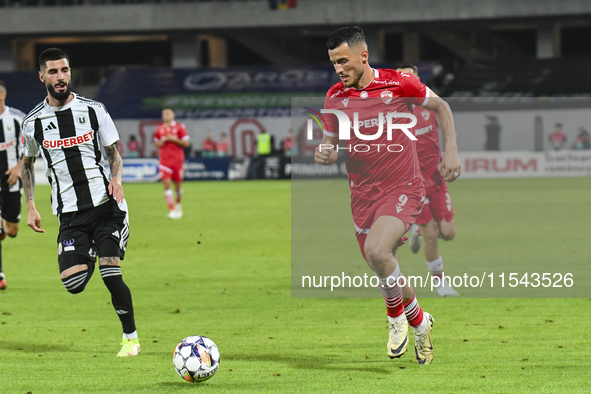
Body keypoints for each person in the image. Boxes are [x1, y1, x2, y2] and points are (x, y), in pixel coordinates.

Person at [316, 27, 461, 365]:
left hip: (403, 188)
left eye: (343, 61)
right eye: (334, 63)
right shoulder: (334, 97)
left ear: (363, 56)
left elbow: (442, 107)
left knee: (377, 251)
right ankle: (421, 322)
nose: (339, 69)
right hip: (362, 195)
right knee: (382, 265)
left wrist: (451, 149)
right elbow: (329, 142)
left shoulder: (399, 84)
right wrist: (324, 152)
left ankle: (395, 317)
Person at [21, 48, 140, 357]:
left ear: (70, 72)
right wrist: (31, 206)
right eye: (54, 72)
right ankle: (87, 247)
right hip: (69, 214)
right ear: (42, 76)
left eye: (65, 70)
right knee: (73, 284)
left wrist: (117, 180)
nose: (61, 77)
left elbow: (114, 153)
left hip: (105, 205)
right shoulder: (32, 123)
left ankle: (130, 339)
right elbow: (26, 164)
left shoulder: (93, 110)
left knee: (110, 272)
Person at [395, 62, 459, 297]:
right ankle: (440, 283)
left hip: (436, 176)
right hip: (413, 181)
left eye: (411, 77)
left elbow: (445, 119)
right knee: (431, 232)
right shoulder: (392, 110)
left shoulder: (429, 103)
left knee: (448, 232)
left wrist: (449, 151)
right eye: (402, 78)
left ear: (418, 79)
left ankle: (417, 231)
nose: (407, 82)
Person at [0, 80, 26, 290]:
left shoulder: (17, 119)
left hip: (11, 180)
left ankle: (3, 224)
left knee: (12, 230)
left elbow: (33, 146)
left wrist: (19, 167)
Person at [154, 108, 190, 219]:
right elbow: (156, 143)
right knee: (167, 184)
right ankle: (172, 210)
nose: (165, 115)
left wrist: (173, 139)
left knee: (178, 187)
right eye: (163, 113)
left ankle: (178, 205)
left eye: (167, 113)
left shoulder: (180, 127)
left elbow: (186, 143)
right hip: (164, 161)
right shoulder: (160, 128)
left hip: (177, 161)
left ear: (173, 115)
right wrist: (162, 141)